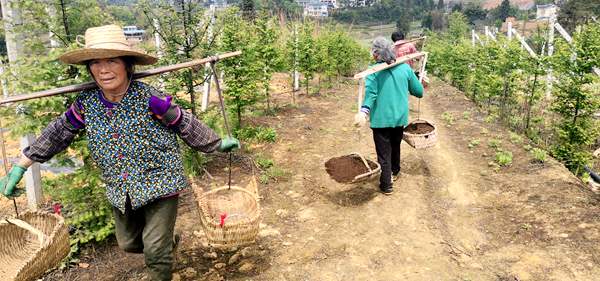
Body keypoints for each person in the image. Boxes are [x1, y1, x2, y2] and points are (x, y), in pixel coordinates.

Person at [0, 25, 240, 281]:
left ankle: (161, 256)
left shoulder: (150, 99)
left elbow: (183, 122)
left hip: (161, 181)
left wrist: (214, 144)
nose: (103, 69)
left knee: (155, 252)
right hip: (121, 188)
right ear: (89, 68)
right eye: (95, 62)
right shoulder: (86, 104)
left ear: (127, 65)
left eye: (112, 61)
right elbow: (58, 133)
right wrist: (20, 166)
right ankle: (165, 245)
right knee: (129, 243)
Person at [354, 37, 424, 195]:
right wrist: (418, 80)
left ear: (376, 54)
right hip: (399, 118)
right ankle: (395, 171)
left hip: (381, 120)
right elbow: (419, 92)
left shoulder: (373, 72)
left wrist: (364, 112)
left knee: (383, 152)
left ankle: (386, 185)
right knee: (395, 145)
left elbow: (371, 95)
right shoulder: (404, 69)